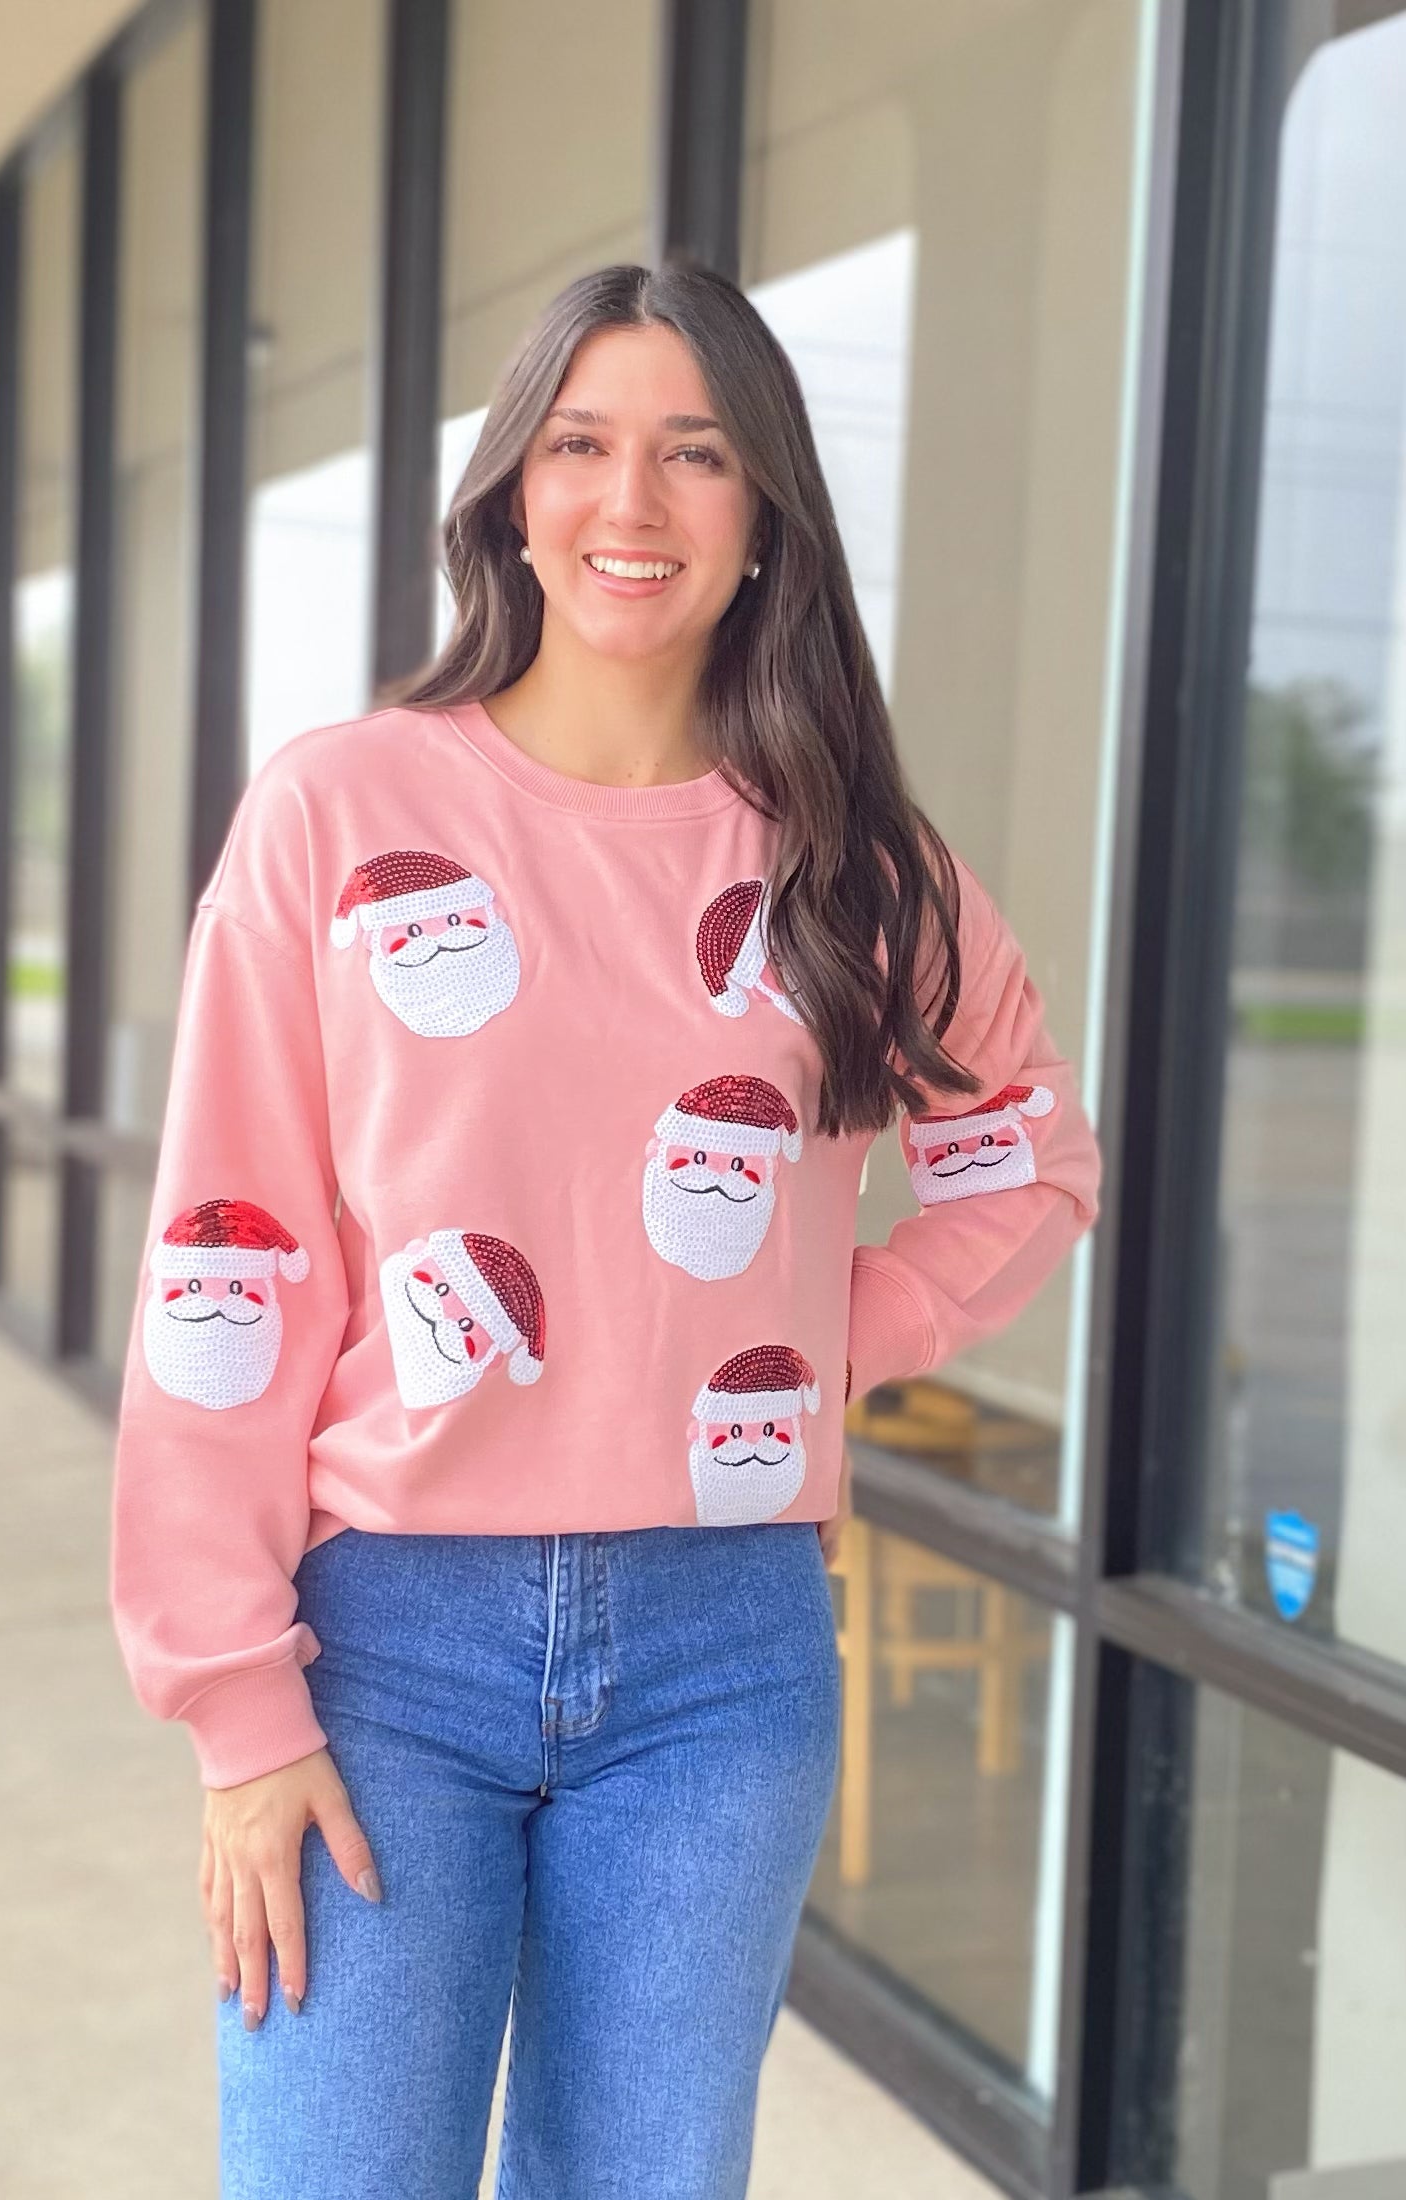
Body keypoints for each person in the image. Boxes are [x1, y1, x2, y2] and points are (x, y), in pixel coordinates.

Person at [108, 259, 1102, 2200]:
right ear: (508, 495)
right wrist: (234, 1698)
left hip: (718, 1660)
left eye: (692, 453)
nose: (628, 502)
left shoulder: (853, 867)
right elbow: (228, 1257)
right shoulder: (342, 808)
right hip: (381, 1641)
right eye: (578, 443)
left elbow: (1024, 1149)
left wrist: (821, 1333)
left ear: (761, 522)